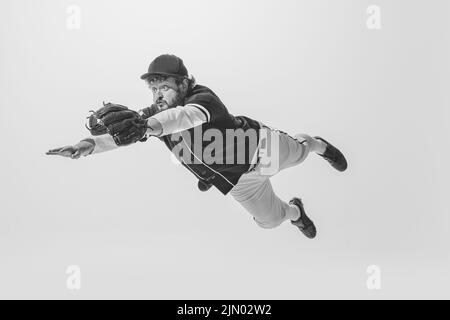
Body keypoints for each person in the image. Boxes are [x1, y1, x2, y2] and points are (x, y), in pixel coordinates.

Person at [47, 54, 348, 239]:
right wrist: (88, 145)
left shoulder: (203, 99)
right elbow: (125, 135)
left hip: (262, 150)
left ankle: (319, 144)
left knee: (300, 152)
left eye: (163, 86)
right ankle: (297, 212)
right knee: (269, 221)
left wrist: (147, 125)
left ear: (183, 83)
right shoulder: (152, 115)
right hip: (237, 181)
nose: (157, 95)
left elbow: (184, 117)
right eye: (152, 89)